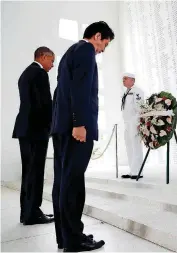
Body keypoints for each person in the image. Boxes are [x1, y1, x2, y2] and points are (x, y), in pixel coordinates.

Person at [51, 21, 114, 252]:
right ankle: (74, 239)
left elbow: (61, 91)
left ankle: (65, 237)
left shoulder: (70, 52)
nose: (102, 50)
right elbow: (80, 89)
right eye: (104, 44)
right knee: (73, 183)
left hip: (61, 128)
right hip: (76, 129)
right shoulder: (86, 50)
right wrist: (79, 123)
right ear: (97, 36)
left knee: (63, 182)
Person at [12, 47, 55, 225]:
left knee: (28, 172)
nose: (52, 65)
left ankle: (27, 212)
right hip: (36, 130)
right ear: (43, 57)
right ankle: (33, 213)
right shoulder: (39, 74)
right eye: (51, 61)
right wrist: (53, 126)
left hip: (25, 129)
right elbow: (44, 104)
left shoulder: (25, 73)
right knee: (35, 172)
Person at [121, 73, 144, 180]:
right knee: (129, 146)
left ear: (132, 80)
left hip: (134, 122)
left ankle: (138, 171)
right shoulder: (126, 92)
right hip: (127, 122)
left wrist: (138, 122)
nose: (123, 80)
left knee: (136, 146)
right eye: (123, 79)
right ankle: (132, 170)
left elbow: (140, 108)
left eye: (125, 78)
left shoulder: (137, 91)